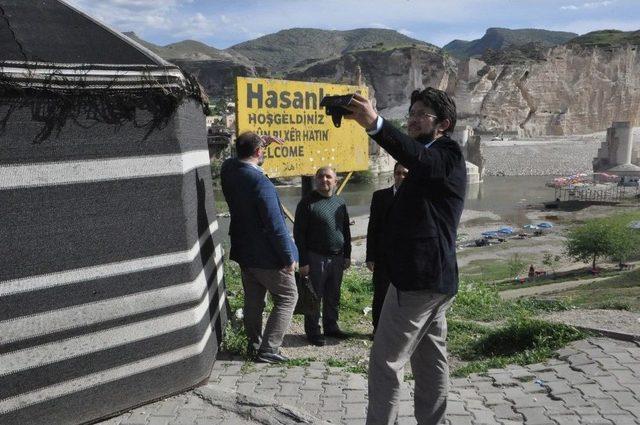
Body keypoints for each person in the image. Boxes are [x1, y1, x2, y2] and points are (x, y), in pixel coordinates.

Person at [345, 88, 467, 425]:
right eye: (411, 112)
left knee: (385, 362)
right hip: (432, 280)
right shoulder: (428, 160)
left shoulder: (447, 154)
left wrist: (376, 125)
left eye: (422, 113)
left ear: (443, 124)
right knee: (431, 361)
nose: (412, 118)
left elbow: (419, 159)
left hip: (418, 282)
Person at [220, 132, 298, 364]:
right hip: (267, 257)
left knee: (254, 300)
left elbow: (233, 159)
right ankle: (268, 349)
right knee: (287, 297)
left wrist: (258, 141)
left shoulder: (229, 172)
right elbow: (276, 226)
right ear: (258, 152)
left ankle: (254, 344)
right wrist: (288, 257)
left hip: (245, 252)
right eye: (262, 148)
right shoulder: (261, 183)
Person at [294, 166, 352, 347]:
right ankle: (313, 331)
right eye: (320, 177)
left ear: (336, 181)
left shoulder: (340, 202)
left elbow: (346, 231)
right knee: (314, 296)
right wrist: (303, 261)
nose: (324, 180)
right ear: (316, 180)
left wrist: (347, 254)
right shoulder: (307, 203)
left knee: (333, 295)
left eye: (328, 177)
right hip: (315, 257)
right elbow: (299, 234)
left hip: (337, 257)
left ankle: (331, 326)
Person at [366, 162, 408, 334]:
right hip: (383, 257)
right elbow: (372, 228)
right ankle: (377, 329)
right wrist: (370, 256)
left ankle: (400, 329)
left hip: (407, 258)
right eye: (398, 173)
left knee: (405, 296)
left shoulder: (417, 198)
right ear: (393, 175)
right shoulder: (380, 196)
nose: (401, 177)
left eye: (405, 174)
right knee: (381, 294)